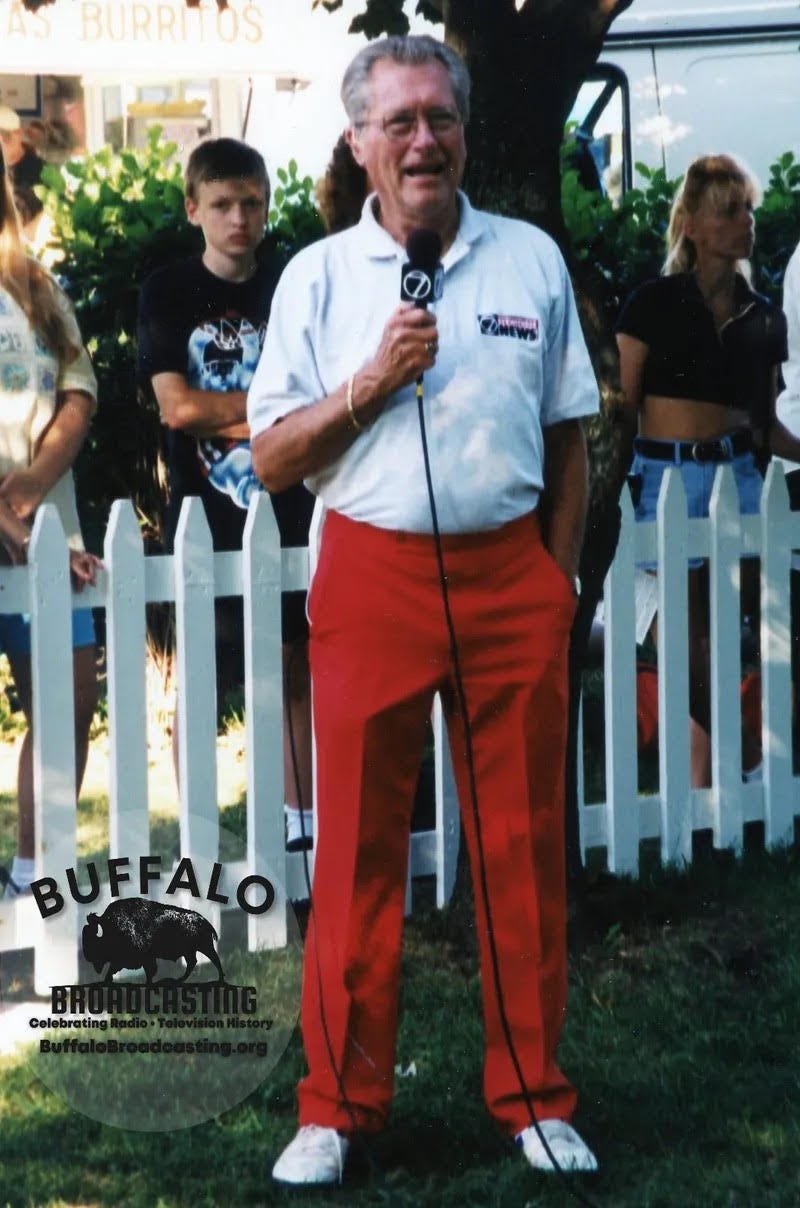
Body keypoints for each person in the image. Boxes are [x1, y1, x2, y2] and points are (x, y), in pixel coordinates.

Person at [248, 34, 600, 1186]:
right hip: (374, 568)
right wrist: (367, 383)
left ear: (462, 131)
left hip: (509, 574)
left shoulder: (528, 260)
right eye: (395, 121)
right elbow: (271, 458)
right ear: (357, 142)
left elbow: (568, 438)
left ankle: (533, 1096)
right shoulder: (315, 278)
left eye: (437, 118)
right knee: (352, 849)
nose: (419, 141)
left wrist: (551, 581)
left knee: (519, 845)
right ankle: (335, 1107)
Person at [137, 138, 315, 851]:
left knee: (297, 666)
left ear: (266, 208)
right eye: (221, 204)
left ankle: (302, 827)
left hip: (292, 510)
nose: (238, 218)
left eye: (251, 203)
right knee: (202, 683)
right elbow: (177, 407)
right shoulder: (169, 292)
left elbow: (322, 393)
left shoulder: (292, 282)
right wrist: (272, 412)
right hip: (204, 517)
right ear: (193, 209)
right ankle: (200, 839)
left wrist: (260, 413)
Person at [616, 154, 800, 787]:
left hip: (738, 479)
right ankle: (745, 750)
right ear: (692, 225)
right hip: (666, 479)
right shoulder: (651, 304)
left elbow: (765, 424)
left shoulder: (762, 315)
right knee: (682, 648)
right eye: (729, 210)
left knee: (725, 640)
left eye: (748, 207)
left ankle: (710, 783)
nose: (745, 221)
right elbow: (623, 406)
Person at [0, 143, 100, 898]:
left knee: (65, 706)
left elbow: (78, 388)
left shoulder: (34, 285)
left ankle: (37, 877)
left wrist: (32, 487)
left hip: (46, 524)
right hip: (22, 530)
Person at [0, 106, 46, 231]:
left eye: (6, 136)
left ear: (19, 133)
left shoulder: (43, 172)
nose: (2, 142)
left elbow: (54, 211)